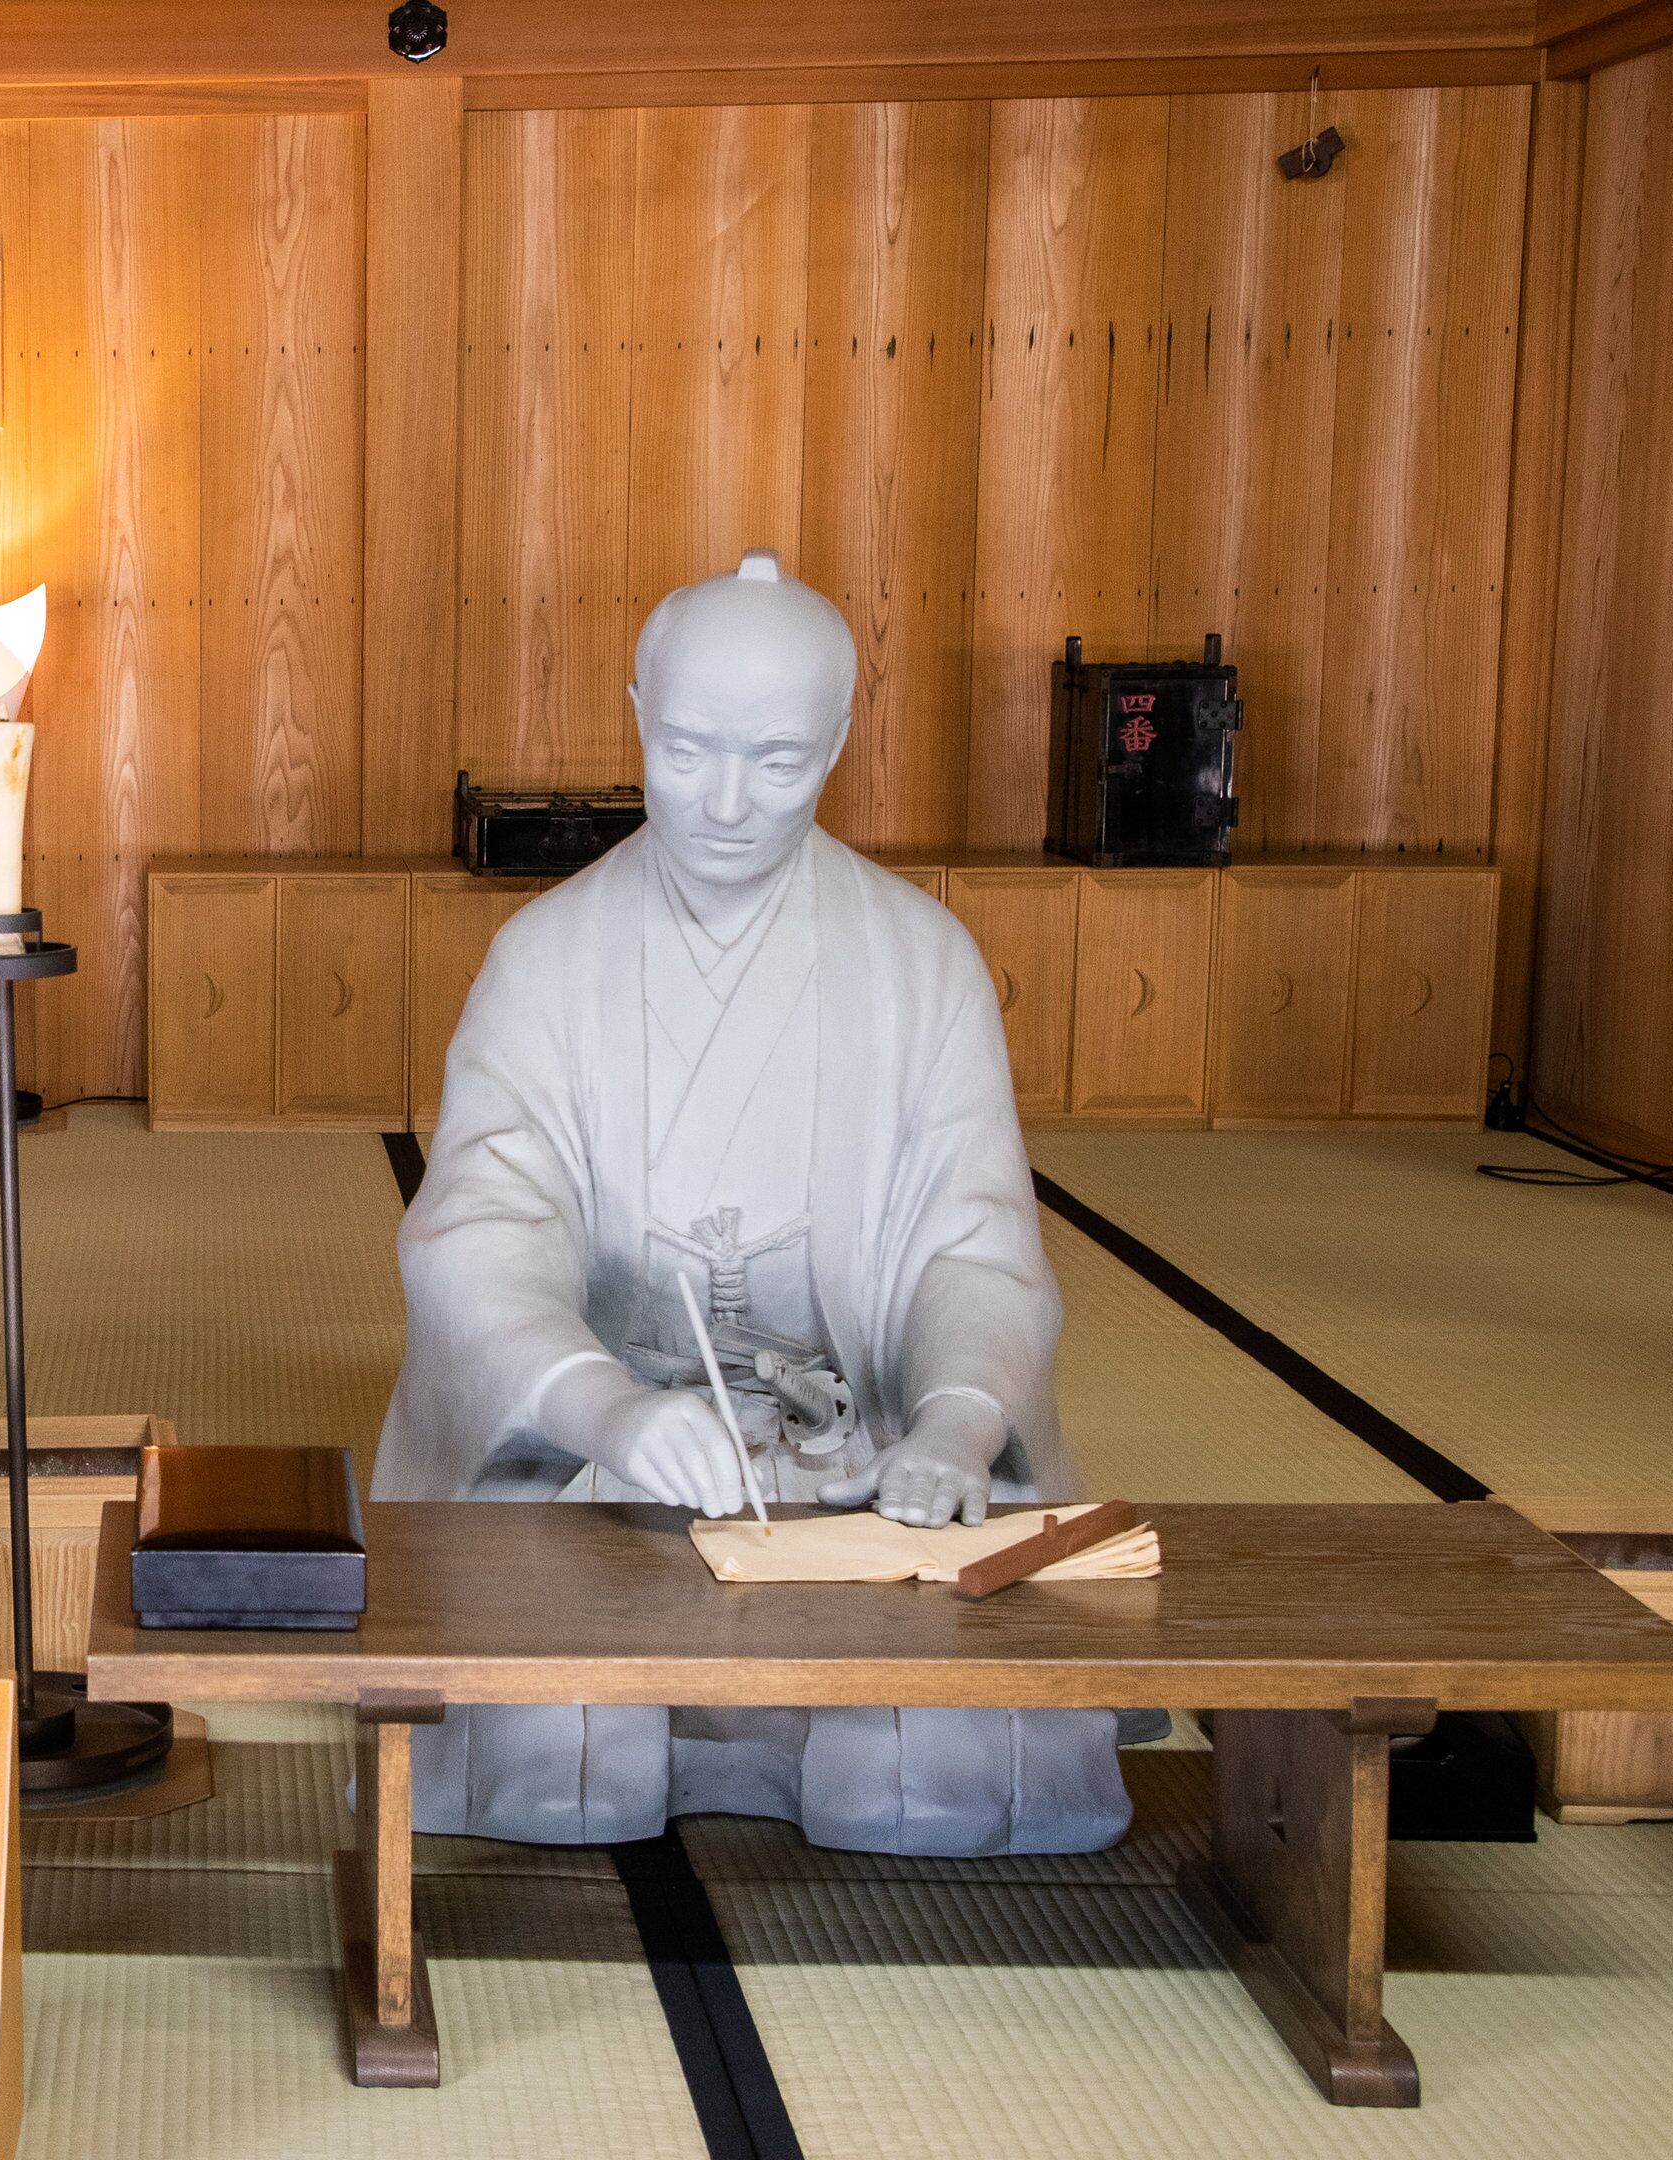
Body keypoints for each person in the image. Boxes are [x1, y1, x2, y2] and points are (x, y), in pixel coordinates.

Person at [376, 551, 1127, 1856]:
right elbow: (484, 1234)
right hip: (595, 1472)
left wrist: (955, 1422)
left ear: (838, 741)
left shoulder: (918, 964)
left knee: (918, 1784)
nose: (725, 802)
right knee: (571, 1766)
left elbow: (973, 1240)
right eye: (686, 751)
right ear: (635, 713)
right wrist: (604, 1405)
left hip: (867, 1456)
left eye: (777, 763)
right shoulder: (547, 961)